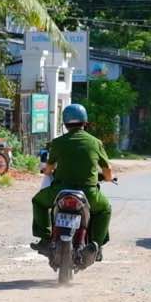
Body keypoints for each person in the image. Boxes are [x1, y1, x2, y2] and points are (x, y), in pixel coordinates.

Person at [31, 103, 113, 258]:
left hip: (60, 191)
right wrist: (107, 178)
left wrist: (49, 171)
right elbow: (107, 171)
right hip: (88, 193)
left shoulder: (57, 142)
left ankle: (45, 238)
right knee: (104, 209)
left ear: (65, 123)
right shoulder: (95, 142)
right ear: (85, 122)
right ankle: (95, 244)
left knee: (38, 201)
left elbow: (48, 169)